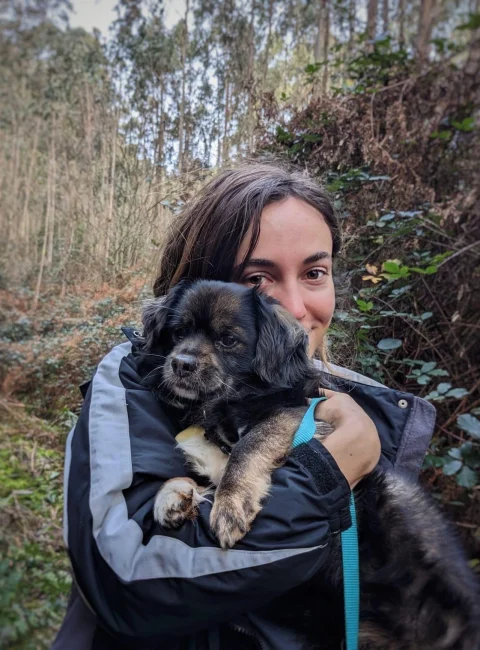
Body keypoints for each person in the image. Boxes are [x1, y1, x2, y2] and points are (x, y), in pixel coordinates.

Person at [51, 164, 435, 650]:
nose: (295, 306)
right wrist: (324, 477)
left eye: (315, 272)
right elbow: (130, 585)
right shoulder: (131, 388)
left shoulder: (359, 406)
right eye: (258, 278)